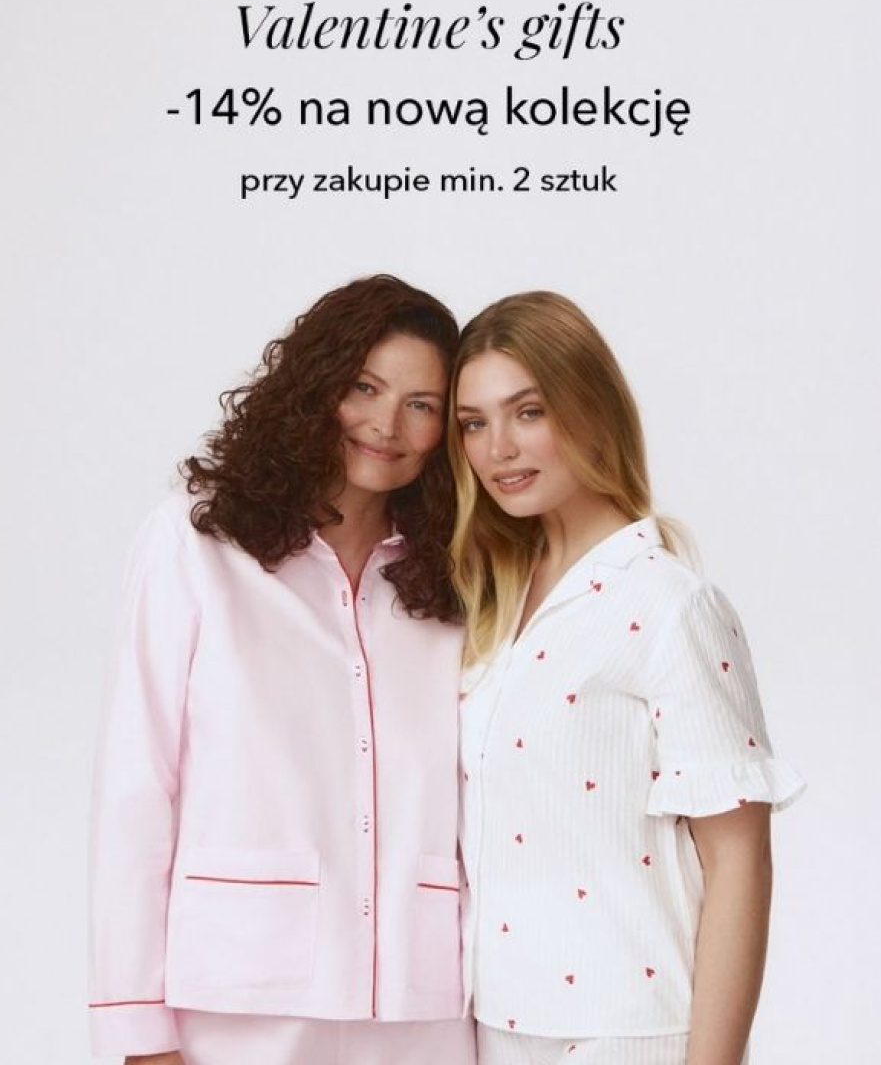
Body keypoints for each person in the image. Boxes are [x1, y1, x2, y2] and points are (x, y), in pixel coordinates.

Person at [88, 275, 476, 1065]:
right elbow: (137, 785)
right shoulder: (195, 542)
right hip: (238, 996)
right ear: (315, 385)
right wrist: (134, 1023)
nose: (386, 425)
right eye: (364, 387)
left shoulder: (459, 577)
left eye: (422, 404)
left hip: (422, 1005)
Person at [448, 292, 804, 1065]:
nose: (498, 447)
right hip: (495, 1024)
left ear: (590, 406)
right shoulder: (488, 611)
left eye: (528, 412)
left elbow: (740, 861)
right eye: (473, 423)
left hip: (627, 1032)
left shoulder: (671, 605)